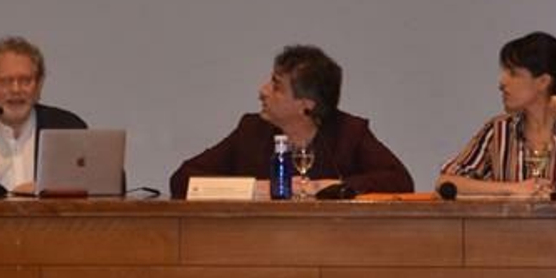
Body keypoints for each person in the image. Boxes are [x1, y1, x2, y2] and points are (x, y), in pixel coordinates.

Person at [170, 44, 413, 199]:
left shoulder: (349, 133)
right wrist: (255, 189)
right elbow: (182, 179)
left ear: (306, 104)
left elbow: (400, 181)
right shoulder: (251, 131)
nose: (262, 90)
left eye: (276, 86)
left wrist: (327, 188)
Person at [437, 31, 556, 197]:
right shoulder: (498, 130)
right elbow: (445, 182)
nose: (502, 82)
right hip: (510, 233)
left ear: (543, 82)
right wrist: (512, 188)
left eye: (513, 73)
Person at [0, 36, 88, 195]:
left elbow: (110, 185)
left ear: (39, 85)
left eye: (25, 80)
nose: (16, 90)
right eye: (5, 81)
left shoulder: (69, 130)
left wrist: (49, 191)